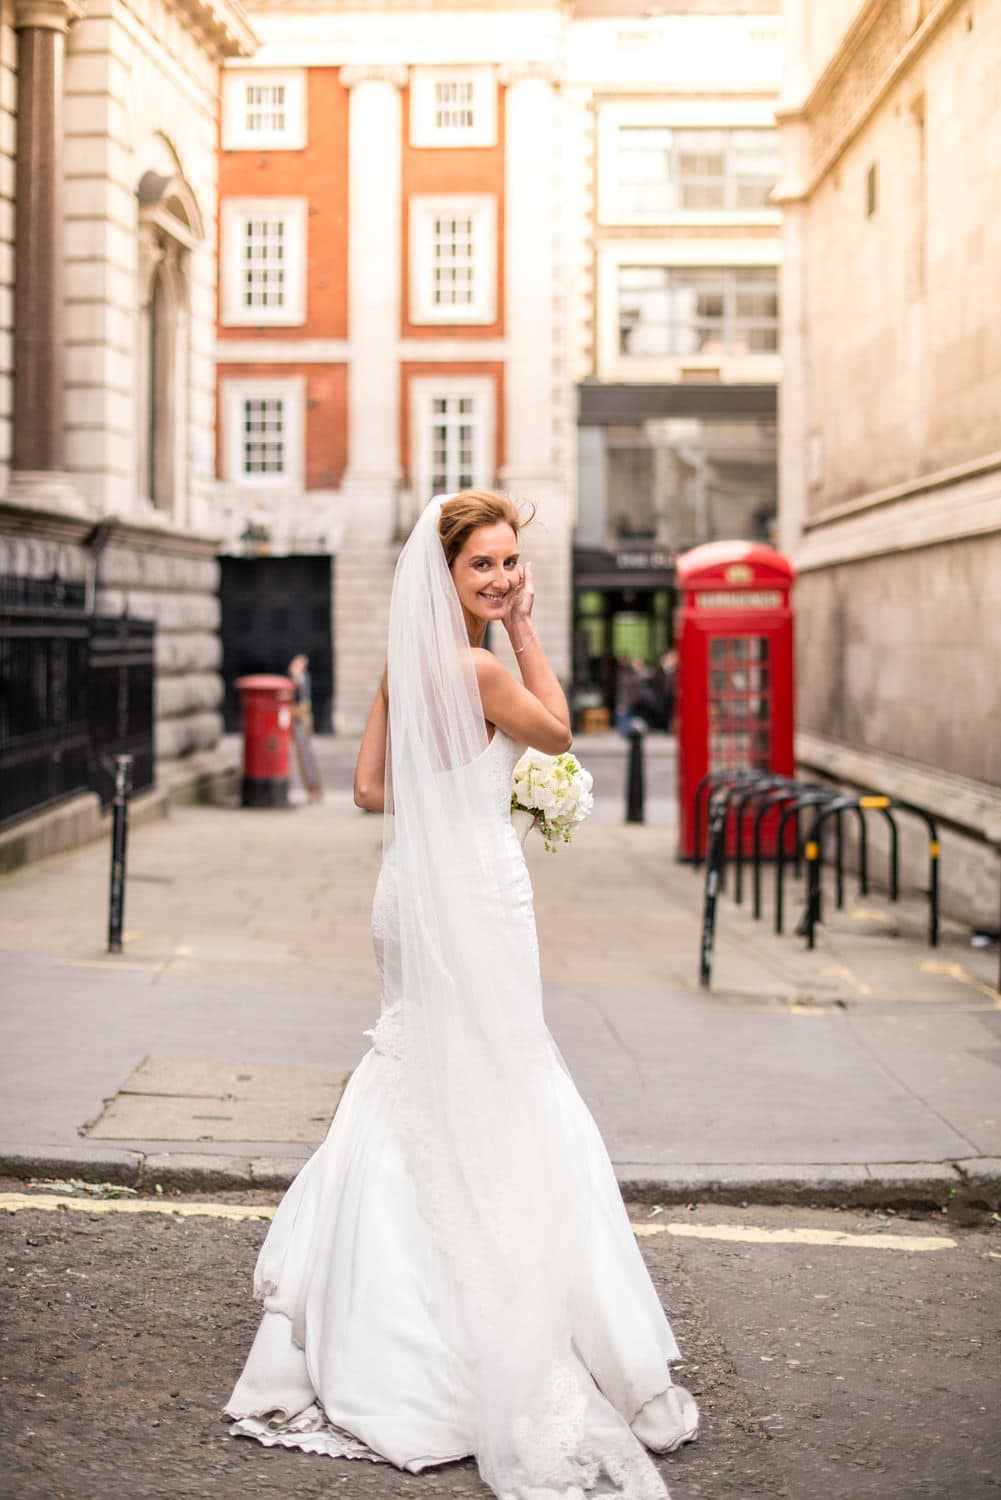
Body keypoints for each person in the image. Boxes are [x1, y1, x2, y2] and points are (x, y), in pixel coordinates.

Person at [225, 491, 698, 1498]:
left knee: (414, 1073)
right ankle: (474, 1331)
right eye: (481, 565)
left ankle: (373, 1310)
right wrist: (526, 631)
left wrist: (451, 798)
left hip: (407, 893)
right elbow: (562, 734)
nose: (498, 578)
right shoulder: (479, 666)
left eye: (508, 563)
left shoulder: (407, 668)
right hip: (477, 894)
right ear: (442, 576)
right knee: (499, 1078)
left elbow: (365, 789)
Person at [287, 653, 323, 803]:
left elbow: (302, 700)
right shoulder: (297, 678)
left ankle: (314, 790)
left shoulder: (301, 678)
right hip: (297, 719)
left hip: (301, 720)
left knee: (306, 756)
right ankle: (312, 790)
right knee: (303, 758)